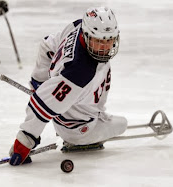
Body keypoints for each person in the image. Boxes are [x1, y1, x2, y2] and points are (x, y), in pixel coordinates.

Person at [9, 6, 128, 166]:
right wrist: (25, 140)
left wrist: (40, 83)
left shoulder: (78, 26)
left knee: (60, 97)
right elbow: (43, 106)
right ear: (87, 35)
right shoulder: (80, 72)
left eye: (109, 40)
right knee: (122, 124)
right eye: (99, 41)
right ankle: (80, 137)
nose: (104, 48)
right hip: (75, 128)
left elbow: (47, 45)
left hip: (68, 103)